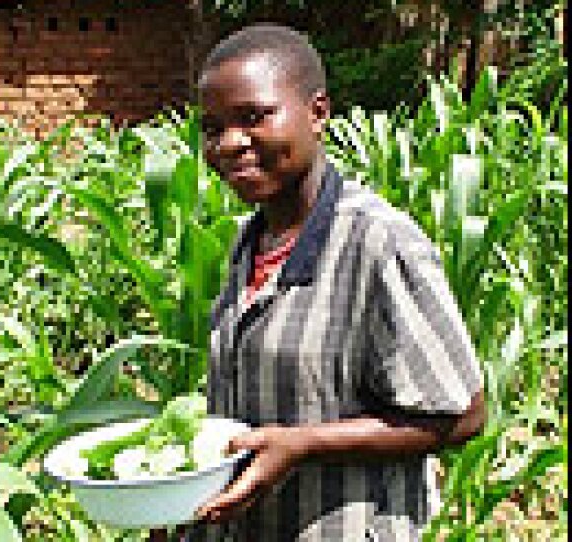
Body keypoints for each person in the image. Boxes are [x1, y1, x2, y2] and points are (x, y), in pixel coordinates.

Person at [170, 24, 486, 541]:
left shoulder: (379, 243)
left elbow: (465, 415)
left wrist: (306, 444)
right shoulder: (248, 242)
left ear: (317, 113)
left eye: (253, 118)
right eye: (212, 127)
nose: (229, 144)